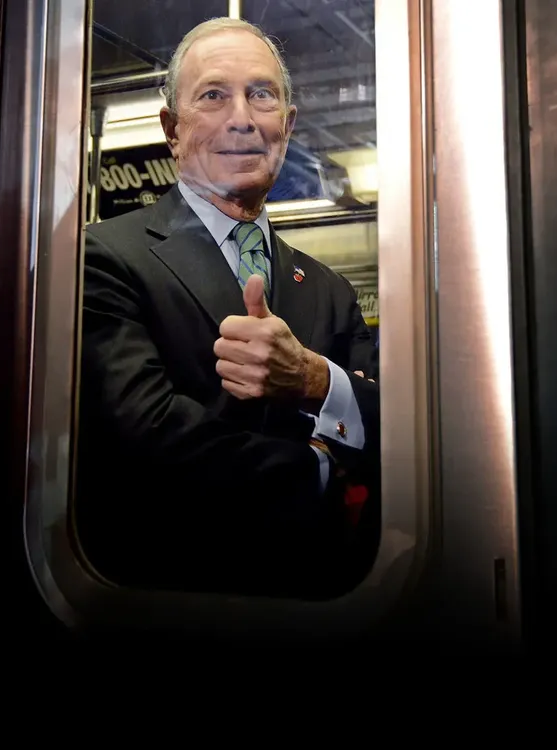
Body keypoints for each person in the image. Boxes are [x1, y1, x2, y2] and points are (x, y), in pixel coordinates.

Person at [75, 17, 380, 600]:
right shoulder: (102, 257)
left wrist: (316, 380)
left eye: (261, 94)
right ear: (172, 129)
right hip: (164, 602)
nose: (242, 118)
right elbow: (146, 438)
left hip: (323, 607)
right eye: (213, 95)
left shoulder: (329, 288)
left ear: (287, 125)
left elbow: (395, 429)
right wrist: (320, 470)